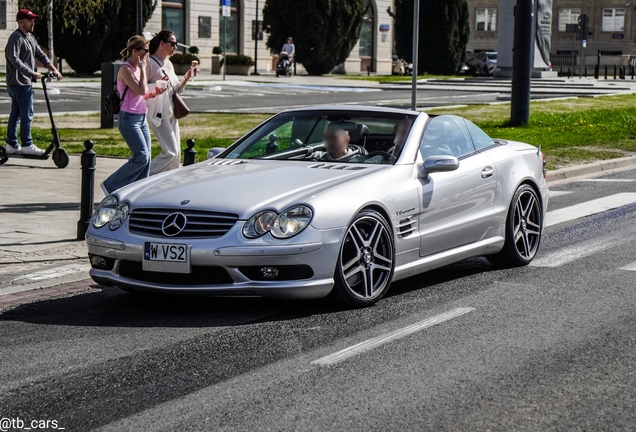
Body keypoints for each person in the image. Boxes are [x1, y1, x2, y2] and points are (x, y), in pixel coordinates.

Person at [101, 36, 166, 195]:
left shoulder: (137, 68)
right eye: (145, 50)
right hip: (129, 119)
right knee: (141, 156)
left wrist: (154, 93)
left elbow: (140, 95)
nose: (148, 54)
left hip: (141, 117)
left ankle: (139, 192)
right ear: (135, 51)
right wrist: (144, 69)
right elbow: (140, 89)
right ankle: (111, 186)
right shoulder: (126, 69)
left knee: (147, 159)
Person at [4, 9, 62, 156]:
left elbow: (40, 54)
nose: (33, 23)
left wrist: (53, 69)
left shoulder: (29, 37)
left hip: (22, 83)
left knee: (16, 114)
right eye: (30, 20)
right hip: (19, 83)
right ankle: (27, 144)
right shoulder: (16, 38)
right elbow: (14, 59)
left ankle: (11, 144)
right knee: (26, 114)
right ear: (20, 22)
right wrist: (32, 73)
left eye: (33, 20)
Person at [146, 30, 198, 175]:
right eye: (173, 43)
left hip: (172, 112)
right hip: (158, 114)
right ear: (162, 43)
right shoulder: (150, 63)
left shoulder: (168, 63)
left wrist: (186, 78)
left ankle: (167, 185)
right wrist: (157, 85)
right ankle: (140, 177)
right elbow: (140, 88)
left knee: (176, 159)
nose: (175, 47)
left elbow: (175, 90)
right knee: (171, 153)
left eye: (176, 44)